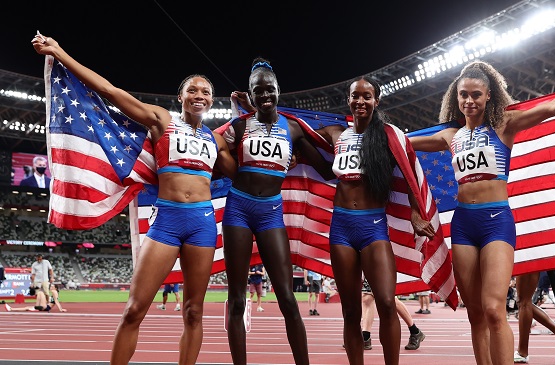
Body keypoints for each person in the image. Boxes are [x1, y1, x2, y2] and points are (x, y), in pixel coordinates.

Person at [32, 33, 237, 365]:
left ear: (212, 101)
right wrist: (60, 52)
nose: (199, 95)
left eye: (206, 92)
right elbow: (110, 91)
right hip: (167, 221)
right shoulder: (161, 120)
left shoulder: (216, 140)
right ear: (181, 96)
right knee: (133, 310)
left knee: (194, 311)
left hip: (202, 224)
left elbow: (245, 174)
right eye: (193, 90)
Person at [409, 58, 555, 365]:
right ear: (455, 98)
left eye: (476, 95)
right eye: (464, 95)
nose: (469, 100)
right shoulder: (449, 137)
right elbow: (401, 145)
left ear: (488, 97)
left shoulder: (504, 125)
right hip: (463, 224)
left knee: (495, 309)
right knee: (475, 314)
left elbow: (552, 109)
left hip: (496, 221)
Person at [315, 76, 435, 365]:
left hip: (373, 227)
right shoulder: (335, 134)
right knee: (351, 311)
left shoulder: (388, 137)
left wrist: (417, 212)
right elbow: (297, 131)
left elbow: (408, 172)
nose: (360, 101)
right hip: (341, 227)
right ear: (348, 99)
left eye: (367, 97)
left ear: (376, 101)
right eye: (355, 96)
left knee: (384, 301)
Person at [222, 58, 334, 365]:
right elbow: (213, 150)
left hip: (270, 212)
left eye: (269, 88)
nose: (265, 95)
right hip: (238, 210)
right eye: (258, 91)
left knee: (287, 296)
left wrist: (343, 137)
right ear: (251, 94)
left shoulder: (295, 129)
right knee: (236, 300)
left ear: (278, 90)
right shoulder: (240, 126)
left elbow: (326, 170)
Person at [514, 272, 555, 364]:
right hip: (527, 259)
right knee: (523, 302)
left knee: (524, 302)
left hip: (529, 259)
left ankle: (522, 353)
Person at [361, 279, 426, 351]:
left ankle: (415, 331)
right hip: (369, 269)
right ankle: (365, 336)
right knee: (367, 297)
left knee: (389, 298)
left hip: (384, 269)